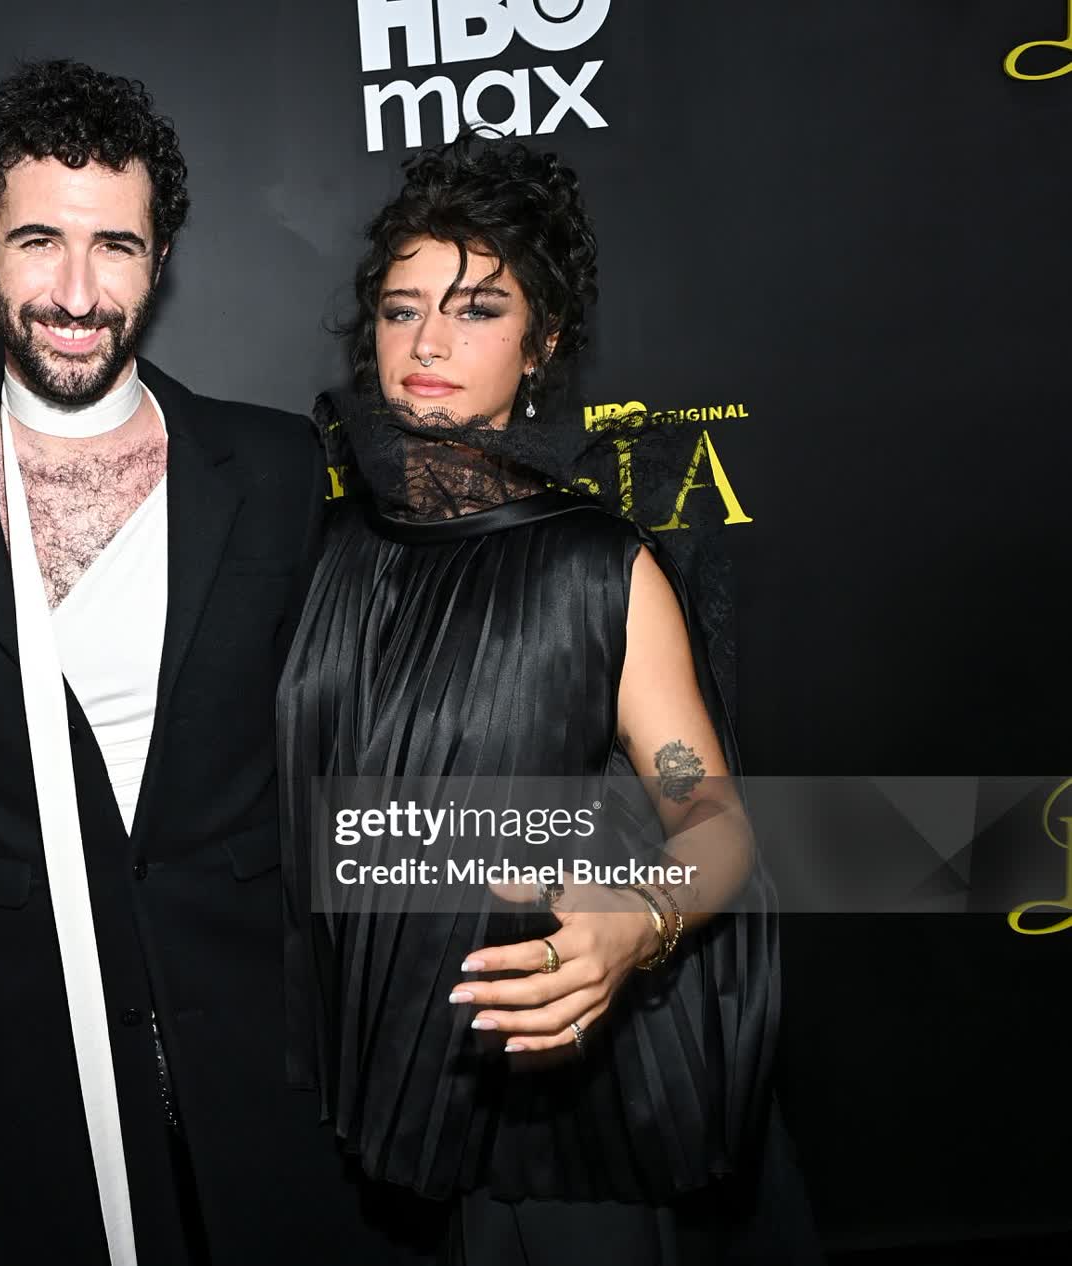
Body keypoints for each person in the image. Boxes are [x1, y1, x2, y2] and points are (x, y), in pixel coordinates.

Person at [0, 61, 425, 1265]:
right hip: (38, 1042)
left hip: (271, 1031)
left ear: (159, 259)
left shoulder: (277, 468)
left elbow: (374, 731)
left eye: (115, 247)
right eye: (38, 242)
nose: (77, 293)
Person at [276, 138, 819, 1263]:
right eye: (400, 309)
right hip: (372, 1078)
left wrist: (637, 922)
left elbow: (714, 822)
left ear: (544, 343)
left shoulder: (597, 568)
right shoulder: (322, 549)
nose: (427, 342)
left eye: (477, 309)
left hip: (556, 1100)